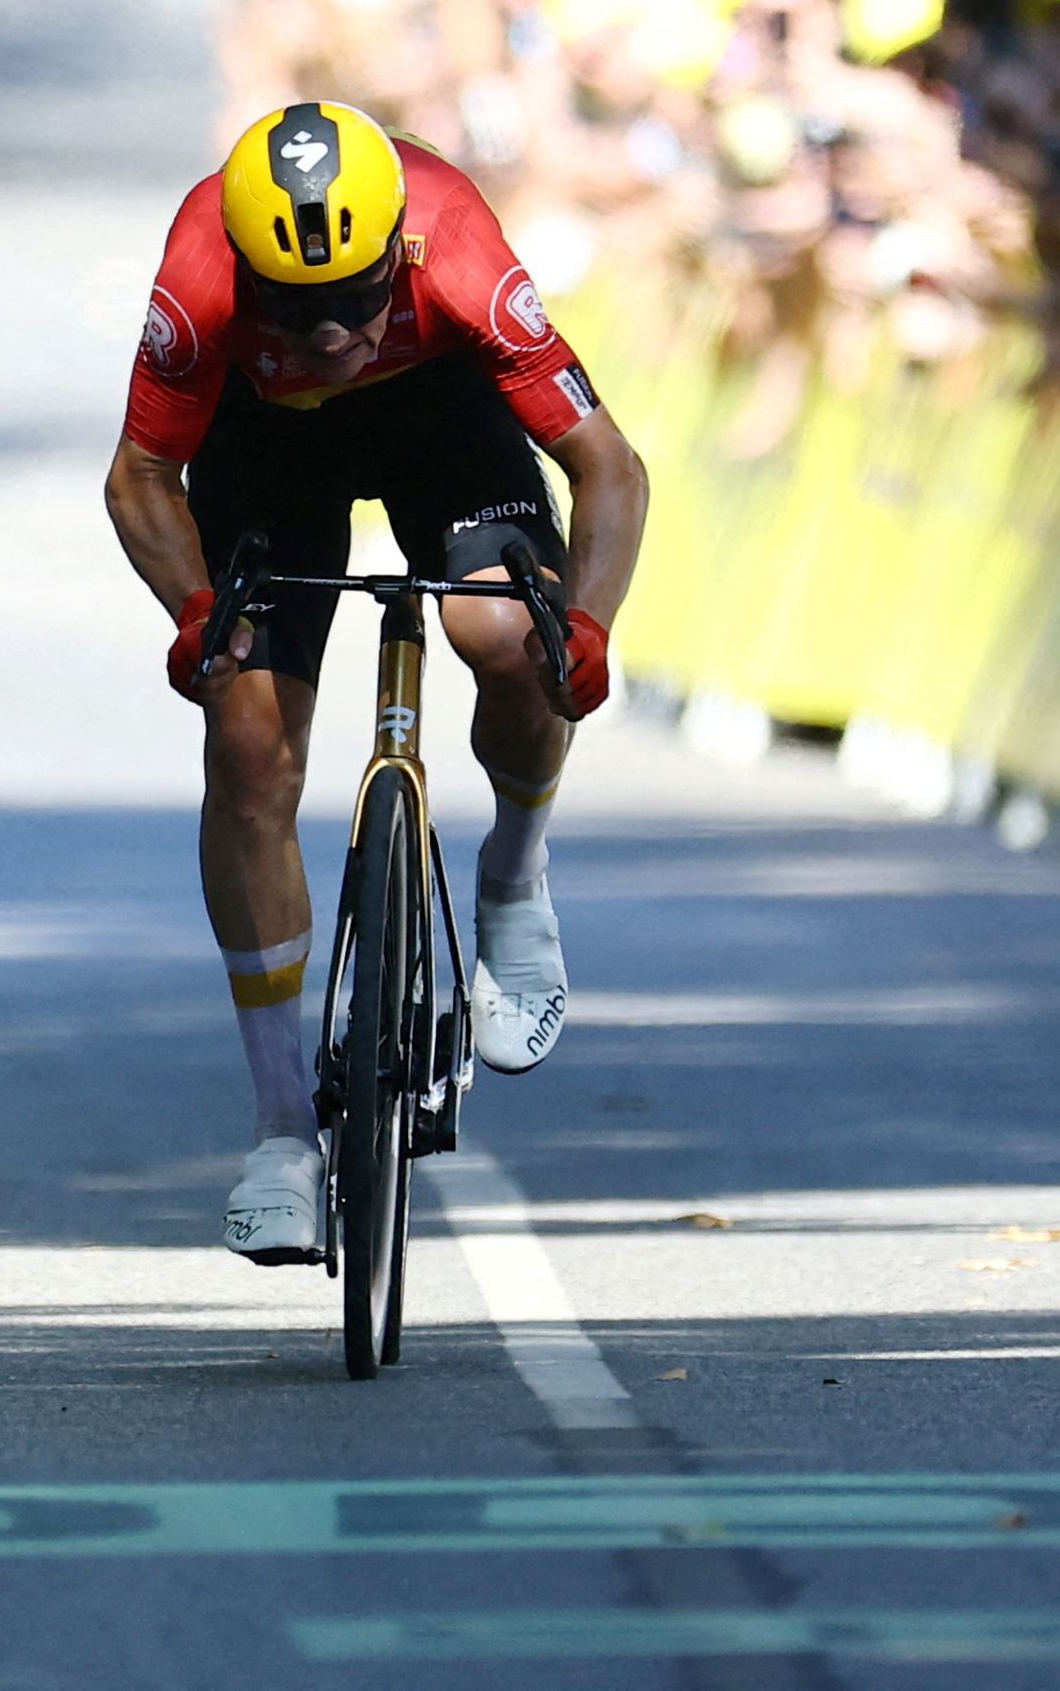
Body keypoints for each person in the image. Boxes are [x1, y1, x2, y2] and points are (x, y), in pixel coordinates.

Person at [104, 101, 648, 1262]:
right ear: (250, 273)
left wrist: (587, 625)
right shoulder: (200, 272)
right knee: (246, 741)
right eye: (297, 312)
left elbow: (607, 466)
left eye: (354, 303)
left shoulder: (454, 242)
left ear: (396, 251)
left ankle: (513, 873)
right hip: (266, 444)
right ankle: (280, 1132)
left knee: (508, 639)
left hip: (438, 420)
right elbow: (141, 478)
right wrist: (196, 613)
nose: (335, 334)